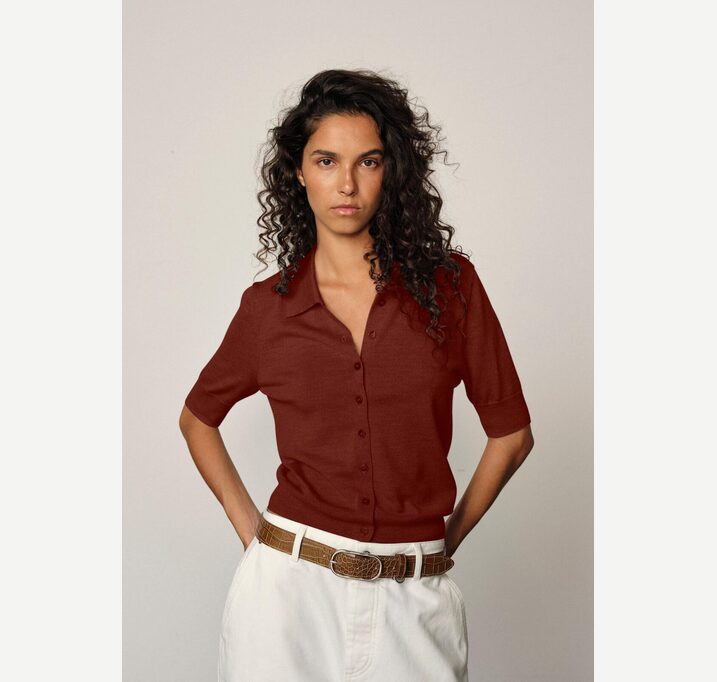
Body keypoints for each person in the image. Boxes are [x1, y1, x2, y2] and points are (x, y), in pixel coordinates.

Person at [179, 68, 534, 682]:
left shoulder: (450, 290)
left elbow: (512, 434)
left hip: (413, 597)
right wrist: (256, 537)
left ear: (391, 170)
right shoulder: (268, 309)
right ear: (299, 172)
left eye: (368, 162)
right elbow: (197, 419)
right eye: (326, 161)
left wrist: (442, 542)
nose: (346, 183)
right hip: (285, 601)